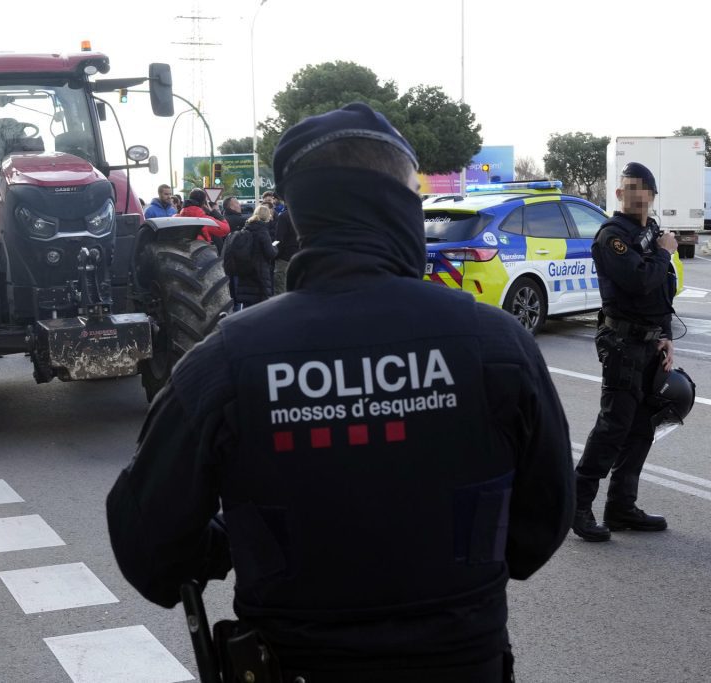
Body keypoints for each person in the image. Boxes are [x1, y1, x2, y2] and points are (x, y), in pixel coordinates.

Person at [107, 103, 573, 682]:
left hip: (291, 663)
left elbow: (148, 547)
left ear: (302, 213)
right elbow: (544, 519)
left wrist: (234, 543)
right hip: (462, 662)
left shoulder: (226, 364)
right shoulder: (496, 345)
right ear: (400, 204)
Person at [572, 162, 678, 542]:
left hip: (649, 342)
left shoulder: (649, 232)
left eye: (641, 188)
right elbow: (638, 282)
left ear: (651, 194)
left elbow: (661, 291)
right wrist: (664, 253)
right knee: (613, 426)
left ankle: (621, 507)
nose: (633, 193)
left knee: (642, 427)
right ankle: (578, 505)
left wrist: (665, 336)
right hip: (622, 344)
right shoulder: (613, 236)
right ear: (619, 194)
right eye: (627, 187)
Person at [230, 203, 277, 310]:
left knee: (247, 306)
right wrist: (275, 248)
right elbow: (270, 253)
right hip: (260, 273)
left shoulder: (245, 229)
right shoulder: (263, 231)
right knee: (260, 308)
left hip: (245, 271)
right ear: (267, 216)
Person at [273, 203, 299, 296]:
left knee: (281, 289)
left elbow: (279, 239)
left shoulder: (284, 216)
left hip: (285, 258)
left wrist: (275, 253)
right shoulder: (305, 216)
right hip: (301, 257)